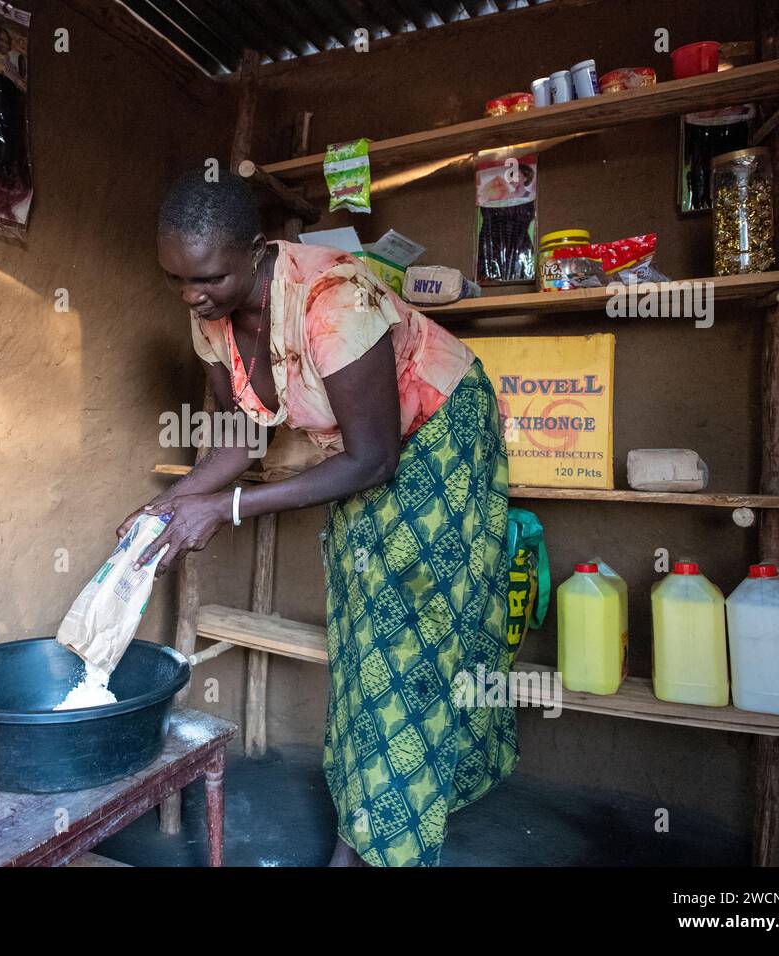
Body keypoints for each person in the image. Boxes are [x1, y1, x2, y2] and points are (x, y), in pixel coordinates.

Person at [117, 171, 516, 867]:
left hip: (439, 440)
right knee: (366, 641)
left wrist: (228, 507)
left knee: (409, 641)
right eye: (176, 279)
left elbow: (372, 460)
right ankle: (378, 814)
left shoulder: (335, 299)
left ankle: (370, 847)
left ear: (255, 248)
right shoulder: (210, 312)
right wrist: (173, 506)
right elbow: (243, 435)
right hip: (367, 455)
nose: (190, 294)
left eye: (206, 276)